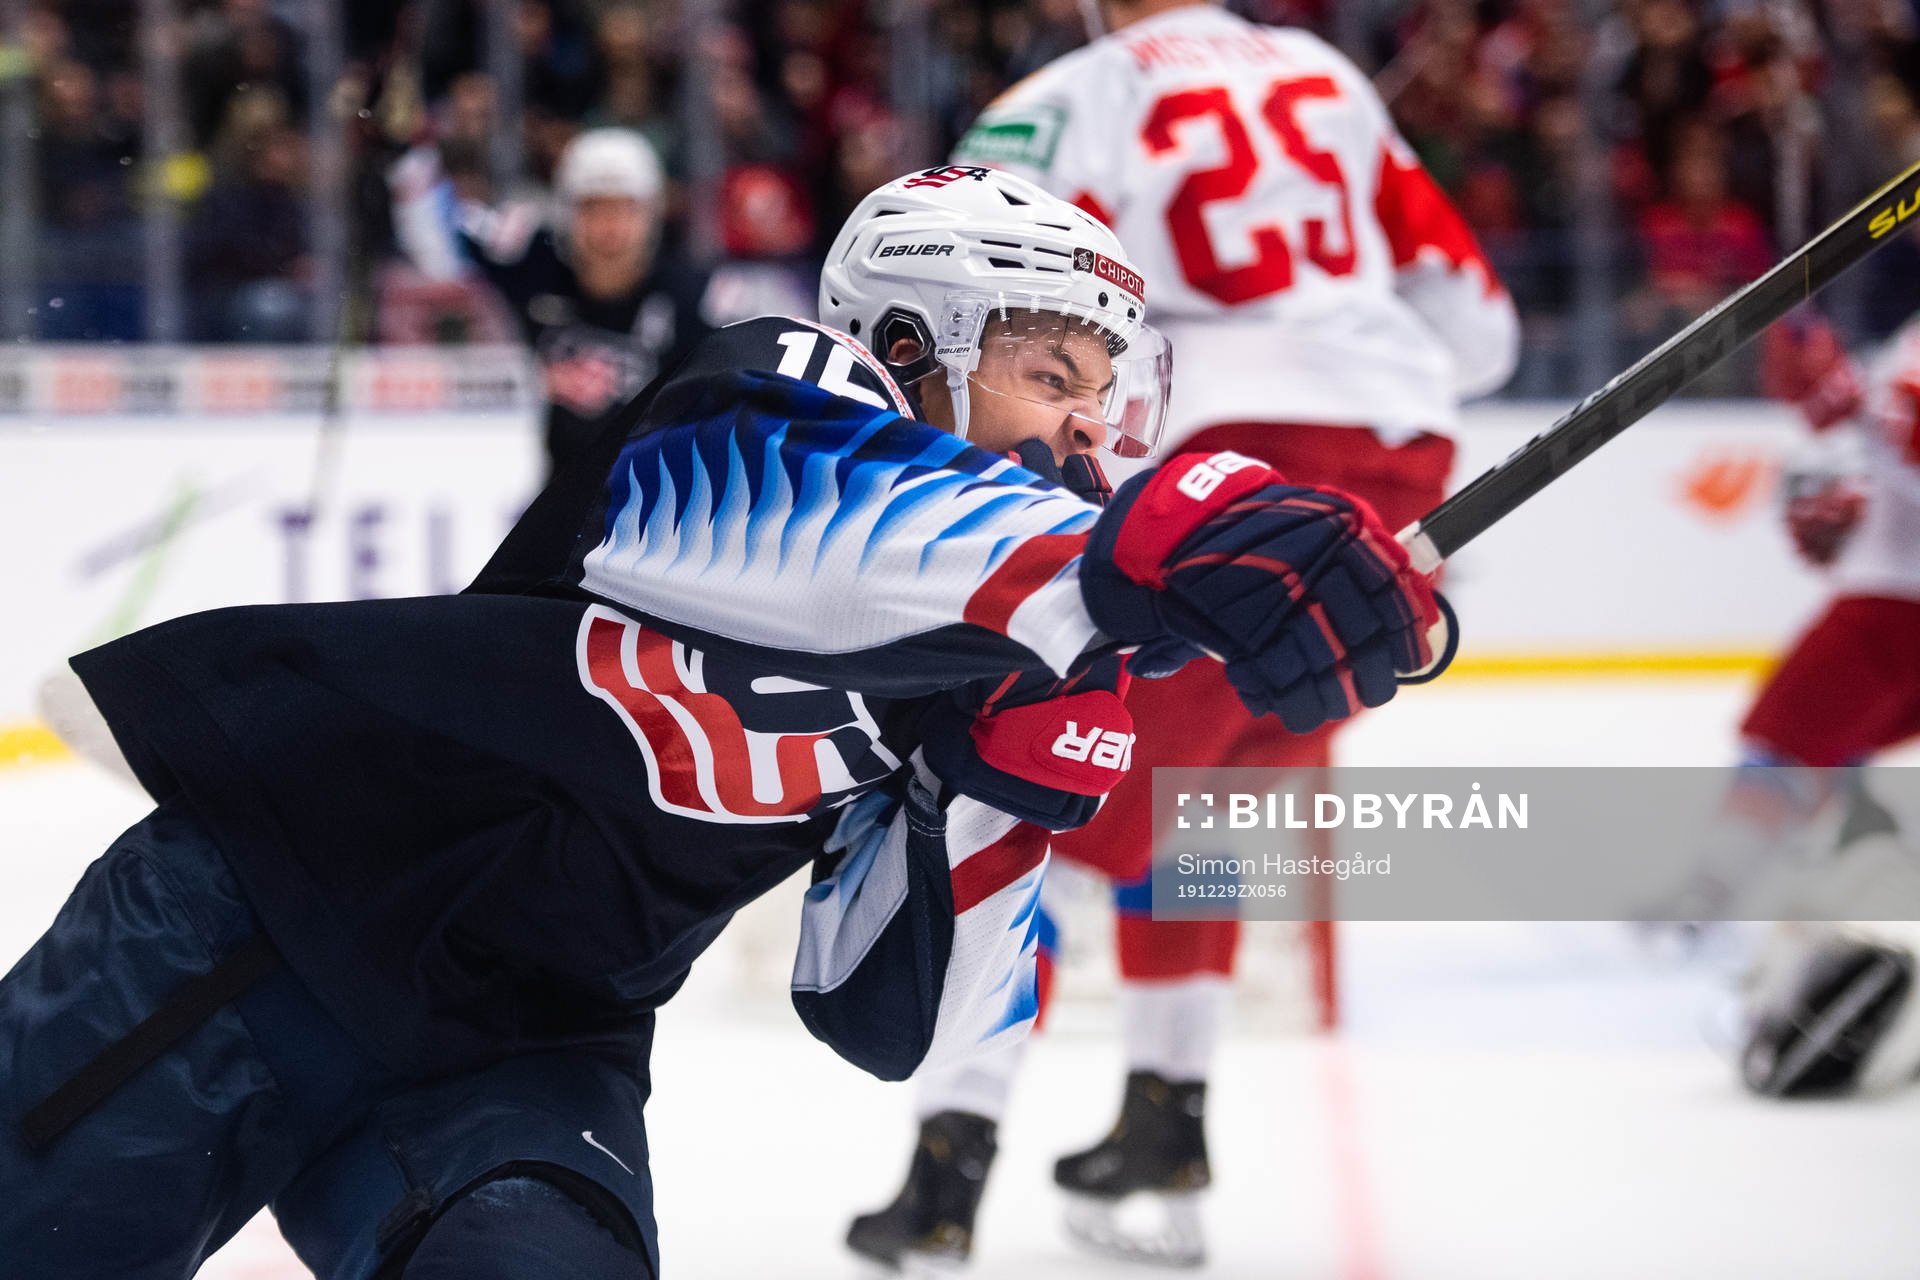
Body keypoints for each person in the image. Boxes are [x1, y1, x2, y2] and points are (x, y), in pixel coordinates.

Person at [0, 165, 1445, 1279]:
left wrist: (983, 791)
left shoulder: (988, 628)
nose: (1084, 430)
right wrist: (1132, 553)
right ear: (906, 337)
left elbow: (887, 1013)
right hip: (259, 932)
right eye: (1050, 375)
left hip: (523, 1052)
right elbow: (821, 520)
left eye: (1102, 403)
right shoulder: (772, 391)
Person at [848, 1, 1518, 1269]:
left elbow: (968, 301)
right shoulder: (1323, 71)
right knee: (1209, 800)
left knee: (1031, 784)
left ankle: (950, 1162)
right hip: (1395, 452)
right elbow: (1480, 326)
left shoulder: (1069, 92)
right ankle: (1167, 1117)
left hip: (1207, 465)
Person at [1666, 309, 1920, 1099]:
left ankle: (1713, 891)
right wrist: (1825, 408)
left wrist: (1852, 403)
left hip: (1896, 604)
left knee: (1783, 742)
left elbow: (1895, 434)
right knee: (1819, 752)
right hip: (1891, 590)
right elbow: (1860, 431)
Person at [390, 126, 720, 474]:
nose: (610, 229)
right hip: (560, 497)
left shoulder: (692, 295)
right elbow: (438, 239)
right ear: (566, 211)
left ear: (651, 216)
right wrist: (406, 153)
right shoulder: (532, 258)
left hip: (657, 505)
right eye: (593, 208)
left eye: (625, 210)